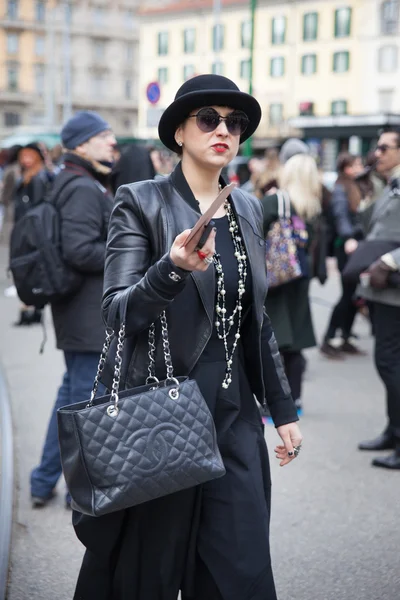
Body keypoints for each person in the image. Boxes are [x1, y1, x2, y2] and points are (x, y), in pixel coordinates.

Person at [72, 74, 302, 600]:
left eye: (235, 122)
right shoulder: (140, 201)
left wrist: (282, 411)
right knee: (148, 573)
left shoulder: (246, 207)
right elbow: (116, 314)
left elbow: (255, 321)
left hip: (235, 415)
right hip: (164, 413)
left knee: (239, 573)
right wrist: (170, 269)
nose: (224, 129)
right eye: (209, 119)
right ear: (179, 132)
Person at [30, 111, 116, 507]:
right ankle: (77, 490)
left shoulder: (76, 180)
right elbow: (79, 250)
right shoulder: (83, 187)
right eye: (105, 137)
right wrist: (125, 253)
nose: (112, 143)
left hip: (76, 312)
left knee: (72, 399)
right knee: (85, 405)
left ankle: (44, 479)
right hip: (84, 314)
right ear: (82, 144)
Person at [260, 154, 321, 416]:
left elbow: (252, 228)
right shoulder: (312, 207)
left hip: (275, 279)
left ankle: (272, 401)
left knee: (271, 340)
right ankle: (294, 400)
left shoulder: (276, 201)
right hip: (298, 277)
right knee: (294, 342)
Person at [357, 127, 400, 470]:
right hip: (384, 290)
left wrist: (391, 260)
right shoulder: (388, 185)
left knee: (390, 363)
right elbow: (370, 225)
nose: (378, 153)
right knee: (388, 362)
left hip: (394, 287)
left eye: (385, 147)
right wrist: (366, 187)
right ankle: (393, 430)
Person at [320, 153, 365, 358]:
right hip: (347, 247)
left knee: (354, 294)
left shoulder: (355, 185)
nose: (360, 167)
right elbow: (340, 215)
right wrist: (348, 237)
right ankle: (329, 338)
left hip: (356, 246)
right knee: (348, 294)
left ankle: (345, 336)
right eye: (356, 164)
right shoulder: (341, 188)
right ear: (347, 167)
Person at [11, 143, 54, 326]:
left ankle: (31, 310)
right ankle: (32, 310)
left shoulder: (38, 177)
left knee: (28, 268)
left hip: (30, 232)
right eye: (23, 156)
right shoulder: (27, 176)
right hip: (25, 229)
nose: (25, 160)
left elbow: (37, 208)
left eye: (29, 156)